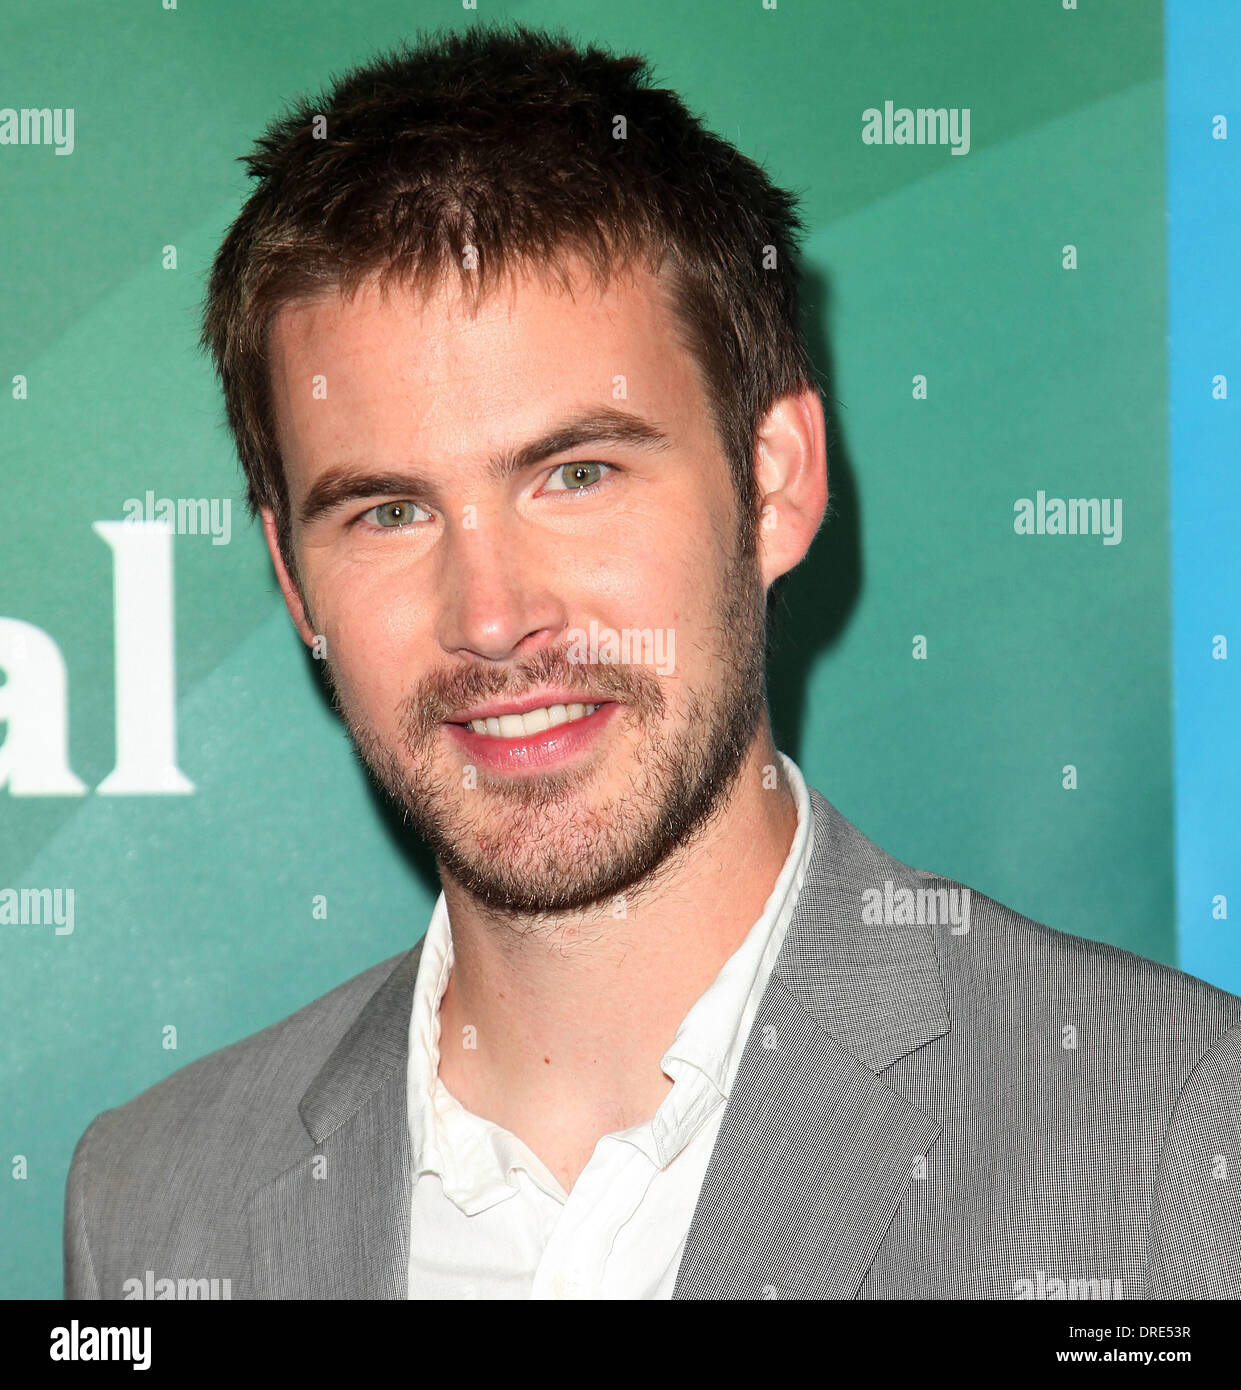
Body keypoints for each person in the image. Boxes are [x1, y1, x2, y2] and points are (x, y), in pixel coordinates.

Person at [64, 21, 1240, 1300]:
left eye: (575, 474)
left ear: (773, 481)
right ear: (295, 581)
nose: (494, 616)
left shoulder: (1170, 1140)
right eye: (388, 512)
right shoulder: (153, 1205)